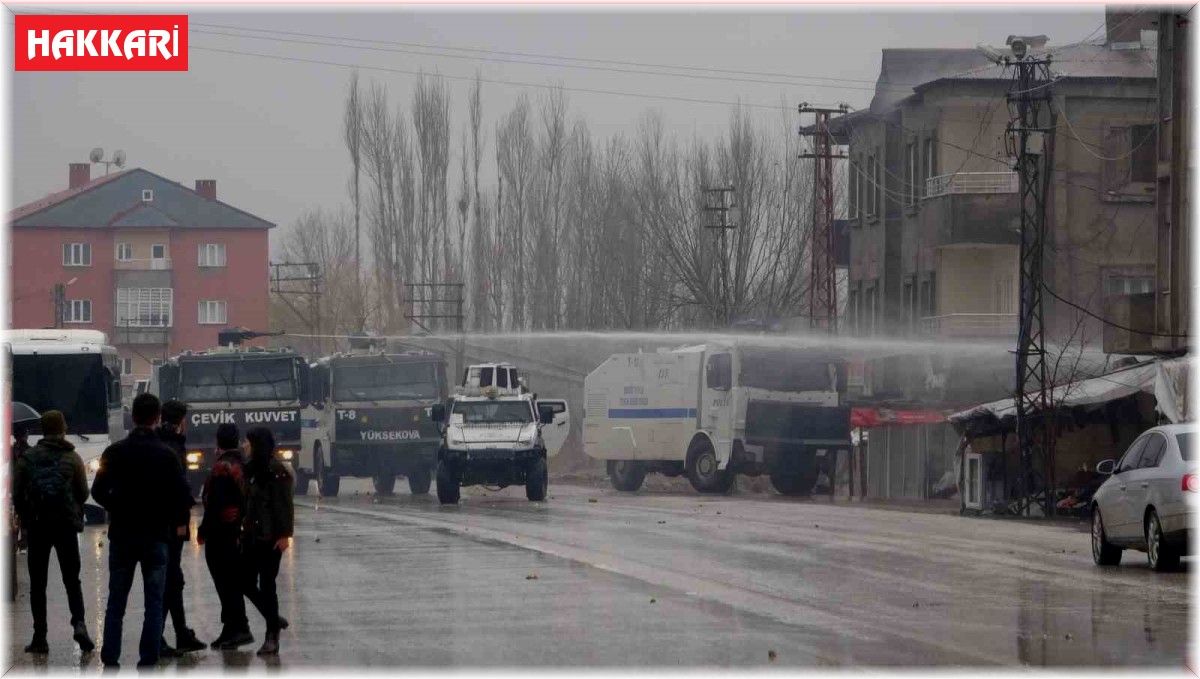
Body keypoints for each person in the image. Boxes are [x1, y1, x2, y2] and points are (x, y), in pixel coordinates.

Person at [91, 393, 193, 668]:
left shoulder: (115, 452)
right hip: (156, 536)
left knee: (116, 602)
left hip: (123, 535)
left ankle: (110, 658)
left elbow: (97, 491)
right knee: (155, 603)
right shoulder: (167, 455)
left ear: (133, 416)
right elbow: (182, 494)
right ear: (157, 418)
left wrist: (119, 506)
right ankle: (148, 661)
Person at [12, 410, 94, 654]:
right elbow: (82, 494)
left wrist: (27, 519)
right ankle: (79, 624)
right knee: (72, 580)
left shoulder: (28, 458)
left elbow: (17, 494)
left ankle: (40, 637)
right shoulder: (72, 458)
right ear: (62, 428)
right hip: (66, 526)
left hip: (38, 527)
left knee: (38, 584)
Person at [154, 399, 204, 656]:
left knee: (174, 579)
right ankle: (159, 638)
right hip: (171, 522)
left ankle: (180, 632)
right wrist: (184, 515)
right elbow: (178, 485)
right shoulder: (174, 445)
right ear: (182, 420)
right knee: (171, 578)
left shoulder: (158, 439)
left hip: (160, 520)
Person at [197, 423, 253, 650]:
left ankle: (240, 628)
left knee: (225, 583)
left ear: (217, 442)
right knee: (231, 582)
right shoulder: (241, 463)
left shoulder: (222, 468)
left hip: (221, 533)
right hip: (236, 530)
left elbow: (216, 505)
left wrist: (203, 530)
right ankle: (231, 628)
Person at [241, 427, 294, 656]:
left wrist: (284, 535)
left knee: (268, 584)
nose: (245, 446)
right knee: (245, 581)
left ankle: (272, 636)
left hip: (270, 537)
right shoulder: (251, 470)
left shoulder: (277, 471)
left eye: (248, 442)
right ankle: (273, 618)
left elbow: (284, 505)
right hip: (251, 536)